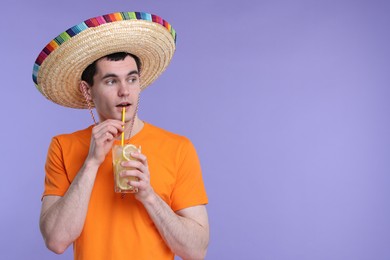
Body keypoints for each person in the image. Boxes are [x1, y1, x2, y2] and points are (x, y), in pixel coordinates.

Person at [33, 12, 209, 260]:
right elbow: (56, 240)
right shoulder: (63, 146)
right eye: (110, 81)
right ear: (87, 90)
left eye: (132, 79)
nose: (125, 91)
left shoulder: (179, 148)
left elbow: (196, 250)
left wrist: (149, 195)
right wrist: (91, 163)